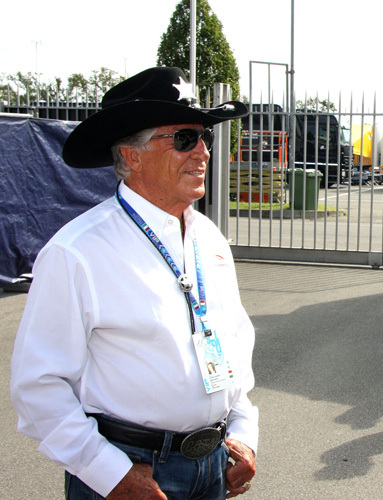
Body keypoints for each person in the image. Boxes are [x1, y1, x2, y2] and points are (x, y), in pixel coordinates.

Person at [10, 67, 259, 500]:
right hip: (129, 468)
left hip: (214, 462)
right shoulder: (77, 252)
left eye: (206, 138)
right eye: (185, 138)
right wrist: (108, 473)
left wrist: (243, 433)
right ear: (133, 155)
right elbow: (39, 385)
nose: (202, 152)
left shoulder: (210, 237)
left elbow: (233, 342)